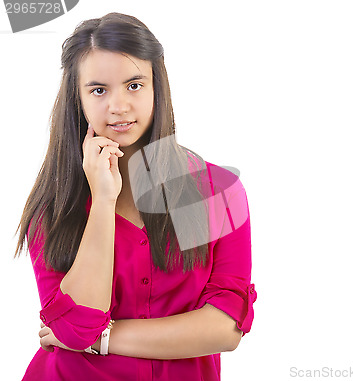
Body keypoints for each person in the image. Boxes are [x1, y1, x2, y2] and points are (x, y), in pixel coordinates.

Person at [13, 12, 256, 381]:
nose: (119, 106)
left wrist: (104, 338)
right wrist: (104, 201)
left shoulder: (218, 192)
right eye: (98, 90)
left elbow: (225, 329)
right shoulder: (54, 207)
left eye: (134, 85)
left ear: (157, 87)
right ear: (77, 99)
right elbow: (78, 328)